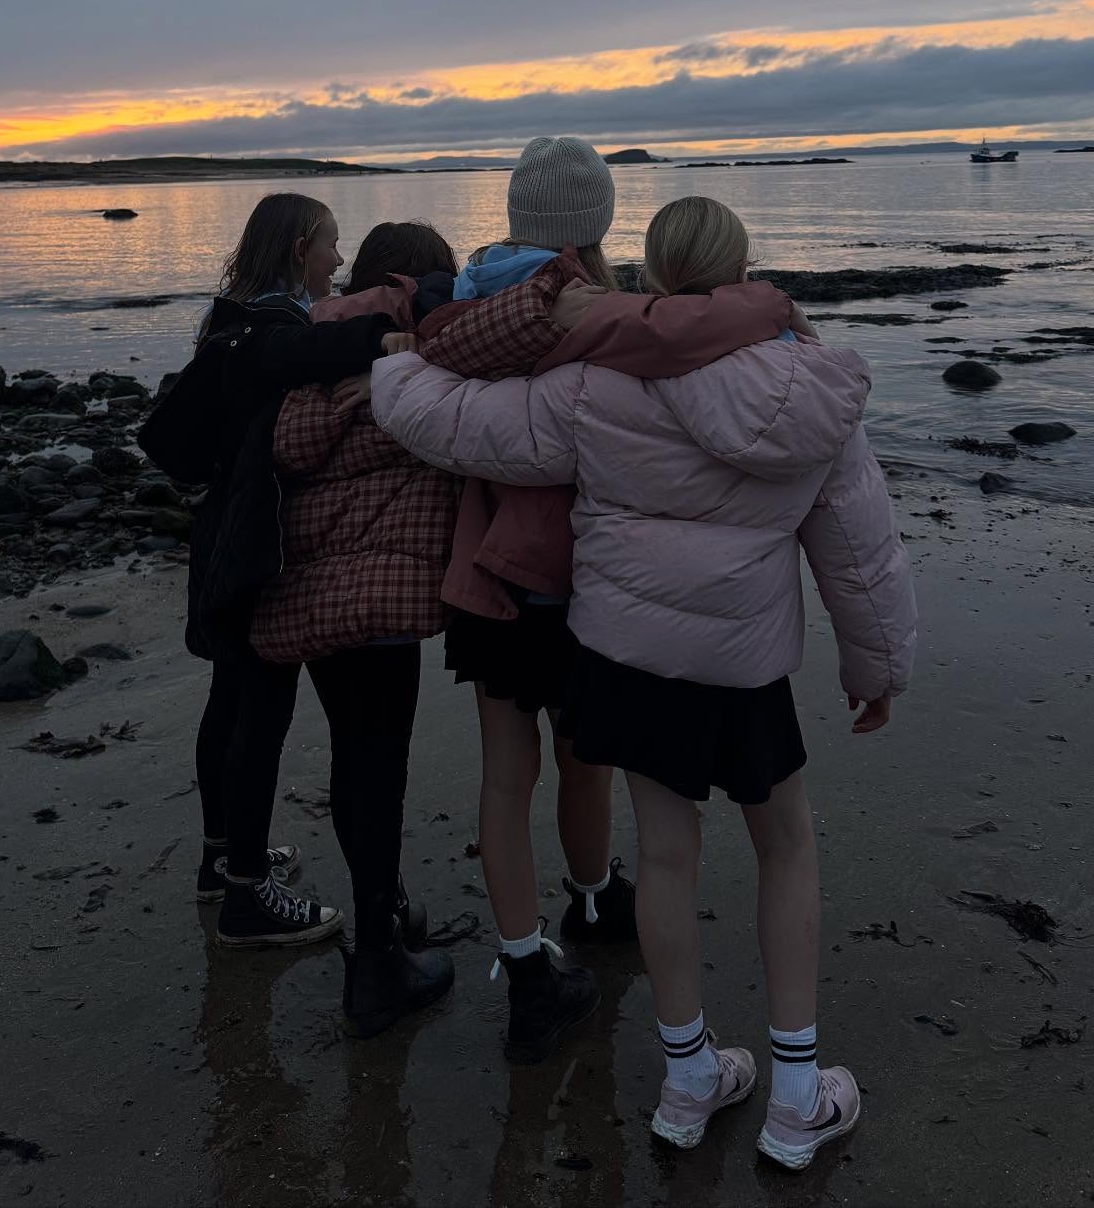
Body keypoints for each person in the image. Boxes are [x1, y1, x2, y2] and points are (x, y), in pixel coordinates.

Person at [373, 194, 917, 1169]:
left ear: (653, 277)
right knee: (787, 847)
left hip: (629, 660)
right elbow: (859, 549)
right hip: (743, 669)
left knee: (666, 858)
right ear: (741, 272)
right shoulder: (813, 385)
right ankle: (797, 1095)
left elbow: (457, 425)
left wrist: (395, 361)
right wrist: (876, 667)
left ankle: (689, 1076)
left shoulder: (595, 382)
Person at [408, 139, 802, 1064]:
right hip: (578, 576)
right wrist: (768, 305)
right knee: (583, 758)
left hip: (488, 572)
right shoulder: (589, 308)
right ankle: (589, 897)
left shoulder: (469, 298)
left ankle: (528, 961)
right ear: (597, 221)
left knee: (506, 772)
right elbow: (682, 343)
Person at [136, 192, 417, 950]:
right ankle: (247, 896)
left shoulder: (224, 317)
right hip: (253, 547)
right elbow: (317, 354)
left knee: (231, 701)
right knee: (261, 713)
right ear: (300, 249)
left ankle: (222, 859)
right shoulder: (277, 327)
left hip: (220, 535)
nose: (338, 258)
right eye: (330, 244)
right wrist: (395, 334)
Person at [248, 220, 463, 1037]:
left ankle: (386, 911)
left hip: (308, 593)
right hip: (383, 598)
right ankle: (376, 963)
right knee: (380, 766)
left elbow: (288, 446)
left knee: (352, 756)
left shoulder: (311, 350)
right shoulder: (418, 359)